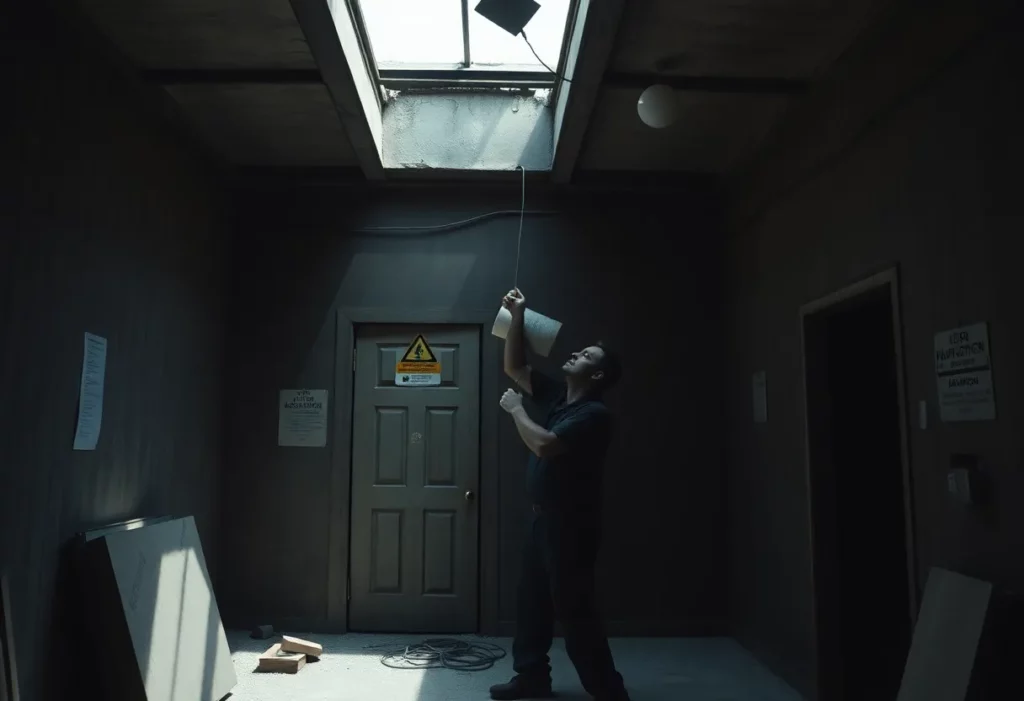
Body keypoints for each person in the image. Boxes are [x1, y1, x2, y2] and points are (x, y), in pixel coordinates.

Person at [490, 288, 631, 701]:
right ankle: (531, 677)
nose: (575, 354)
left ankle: (609, 691)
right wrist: (518, 314)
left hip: (571, 527)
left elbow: (545, 445)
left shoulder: (594, 415)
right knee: (531, 604)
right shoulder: (558, 398)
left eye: (586, 356)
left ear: (597, 376)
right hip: (543, 521)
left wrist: (517, 409)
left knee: (575, 611)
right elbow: (515, 366)